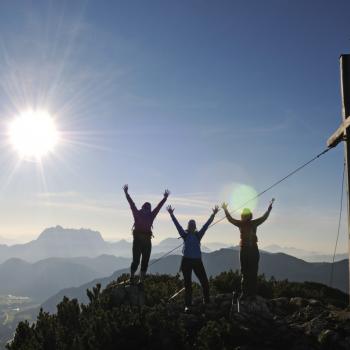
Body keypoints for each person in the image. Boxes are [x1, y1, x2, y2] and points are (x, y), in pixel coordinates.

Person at [167, 204, 220, 312]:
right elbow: (177, 225)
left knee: (204, 282)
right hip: (191, 261)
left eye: (192, 225)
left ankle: (205, 301)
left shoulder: (194, 235)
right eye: (191, 225)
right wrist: (171, 214)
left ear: (194, 227)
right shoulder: (190, 235)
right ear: (190, 226)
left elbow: (206, 225)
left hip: (191, 261)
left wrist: (213, 214)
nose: (191, 226)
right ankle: (190, 304)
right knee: (189, 284)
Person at [222, 200, 274, 300]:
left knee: (251, 273)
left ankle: (250, 293)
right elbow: (230, 219)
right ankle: (247, 293)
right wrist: (225, 209)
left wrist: (269, 209)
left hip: (249, 250)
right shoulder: (247, 223)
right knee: (247, 272)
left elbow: (264, 218)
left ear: (248, 215)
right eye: (244, 215)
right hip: (249, 250)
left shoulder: (244, 223)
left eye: (246, 215)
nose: (245, 216)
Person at [124, 184, 170, 283]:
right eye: (146, 208)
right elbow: (132, 204)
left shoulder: (143, 214)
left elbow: (132, 205)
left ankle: (136, 279)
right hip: (144, 240)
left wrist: (165, 198)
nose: (146, 210)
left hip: (140, 240)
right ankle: (136, 279)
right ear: (146, 208)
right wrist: (126, 193)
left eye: (147, 209)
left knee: (140, 261)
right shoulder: (147, 214)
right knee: (141, 261)